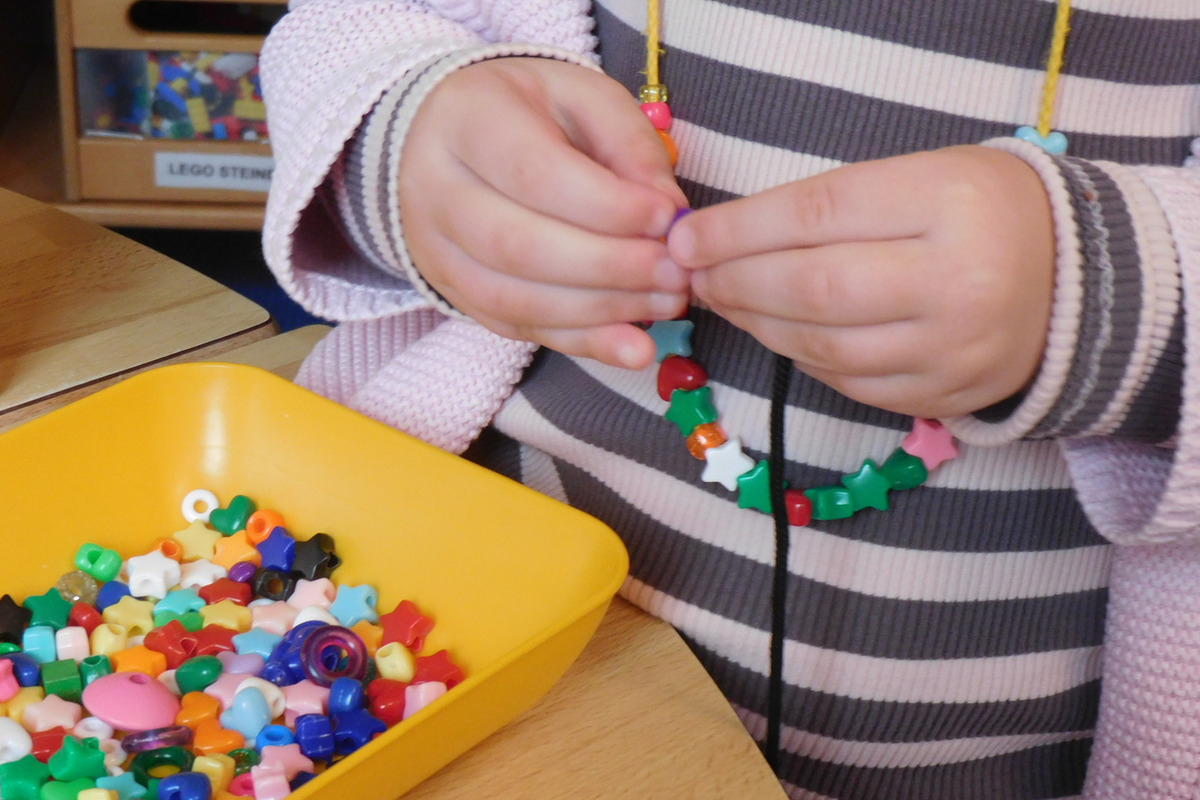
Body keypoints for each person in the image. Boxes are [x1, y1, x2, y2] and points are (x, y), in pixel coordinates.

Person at [257, 1, 1200, 797]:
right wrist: (407, 138)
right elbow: (350, 29)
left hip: (1026, 756)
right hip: (503, 690)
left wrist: (1127, 293)